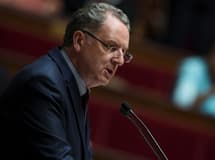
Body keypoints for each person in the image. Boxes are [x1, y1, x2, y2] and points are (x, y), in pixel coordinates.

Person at [0, 2, 131, 160]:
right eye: (111, 47)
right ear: (79, 41)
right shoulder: (44, 83)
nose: (120, 60)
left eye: (124, 53)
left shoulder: (76, 86)